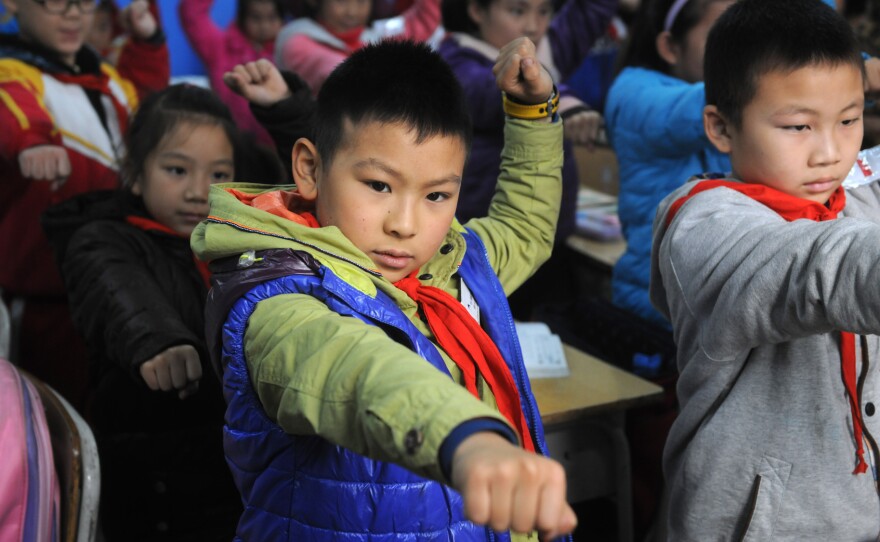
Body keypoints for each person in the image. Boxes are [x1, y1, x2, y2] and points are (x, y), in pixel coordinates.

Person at [194, 38, 576, 540]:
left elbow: (524, 226)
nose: (405, 225)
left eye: (436, 195)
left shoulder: (451, 267)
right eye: (379, 186)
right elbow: (356, 369)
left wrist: (531, 114)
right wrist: (465, 438)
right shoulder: (278, 303)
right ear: (310, 168)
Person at [650, 0, 880, 538]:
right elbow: (822, 270)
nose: (830, 152)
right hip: (755, 526)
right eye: (798, 126)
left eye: (849, 119)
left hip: (859, 511)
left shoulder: (856, 194)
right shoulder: (704, 225)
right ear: (721, 128)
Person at [42, 84, 244, 541]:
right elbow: (117, 290)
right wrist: (160, 341)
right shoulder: (103, 237)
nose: (199, 191)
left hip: (230, 463)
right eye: (177, 170)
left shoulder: (235, 239)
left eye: (219, 173)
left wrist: (284, 110)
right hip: (151, 473)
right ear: (135, 175)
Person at [0, 0, 167, 409]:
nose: (74, 14)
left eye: (84, 2)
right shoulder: (11, 72)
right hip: (45, 298)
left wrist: (147, 42)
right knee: (48, 417)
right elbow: (15, 111)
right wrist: (34, 142)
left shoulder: (105, 77)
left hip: (116, 285)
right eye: (57, 1)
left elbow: (146, 105)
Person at [604, 0, 734, 330]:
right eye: (725, 36)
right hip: (655, 307)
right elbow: (700, 106)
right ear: (669, 46)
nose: (744, 50)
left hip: (714, 304)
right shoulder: (633, 92)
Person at [438, 0, 615, 239]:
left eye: (544, 11)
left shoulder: (548, 48)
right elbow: (503, 88)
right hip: (487, 235)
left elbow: (593, 9)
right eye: (517, 11)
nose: (533, 26)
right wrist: (561, 102)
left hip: (550, 229)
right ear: (477, 10)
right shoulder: (456, 63)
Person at [273, 0, 441, 96]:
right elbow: (333, 70)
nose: (352, 12)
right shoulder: (296, 40)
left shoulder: (372, 36)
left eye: (361, 1)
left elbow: (418, 22)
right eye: (341, 1)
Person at [179, 0, 285, 146]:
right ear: (242, 17)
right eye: (255, 17)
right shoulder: (221, 48)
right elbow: (192, 15)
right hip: (227, 144)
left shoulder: (292, 52)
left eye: (272, 17)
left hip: (277, 149)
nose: (264, 26)